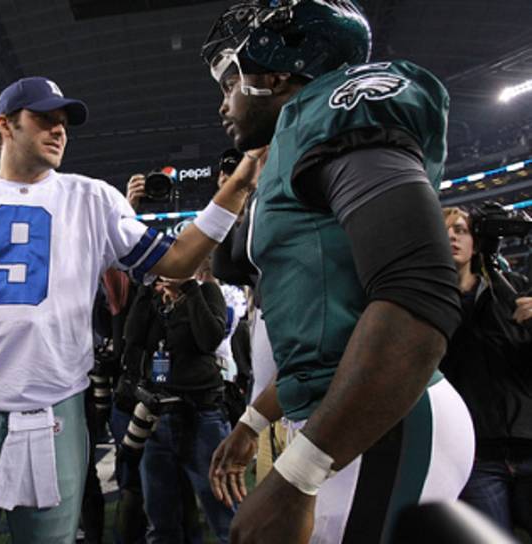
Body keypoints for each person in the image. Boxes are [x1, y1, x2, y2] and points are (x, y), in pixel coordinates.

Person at [0, 75, 263, 544]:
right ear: (4, 125)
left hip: (53, 414)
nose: (59, 130)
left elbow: (177, 261)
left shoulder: (92, 199)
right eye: (43, 118)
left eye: (63, 122)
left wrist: (238, 186)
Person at [201, 2, 475, 543]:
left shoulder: (334, 113)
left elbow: (417, 290)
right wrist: (253, 423)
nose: (223, 103)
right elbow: (323, 339)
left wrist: (298, 475)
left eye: (230, 81)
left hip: (380, 422)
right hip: (352, 420)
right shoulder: (292, 145)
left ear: (275, 74)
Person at [122, 271, 235, 543]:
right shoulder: (154, 299)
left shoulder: (206, 291)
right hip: (157, 415)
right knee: (160, 521)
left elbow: (209, 340)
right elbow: (133, 336)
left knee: (224, 515)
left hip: (201, 415)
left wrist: (189, 290)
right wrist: (145, 290)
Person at [440, 207, 532, 535]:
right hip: (476, 455)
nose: (452, 236)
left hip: (527, 441)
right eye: (444, 230)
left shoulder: (515, 289)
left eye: (461, 230)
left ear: (476, 243)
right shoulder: (429, 304)